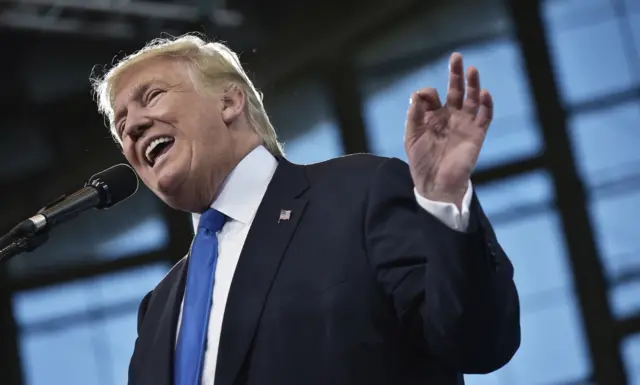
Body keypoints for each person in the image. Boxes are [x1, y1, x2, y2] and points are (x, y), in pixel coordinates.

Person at [92, 34, 520, 385]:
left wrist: (445, 201)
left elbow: (477, 342)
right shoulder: (158, 310)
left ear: (229, 102)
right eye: (121, 124)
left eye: (152, 97)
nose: (132, 126)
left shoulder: (358, 194)